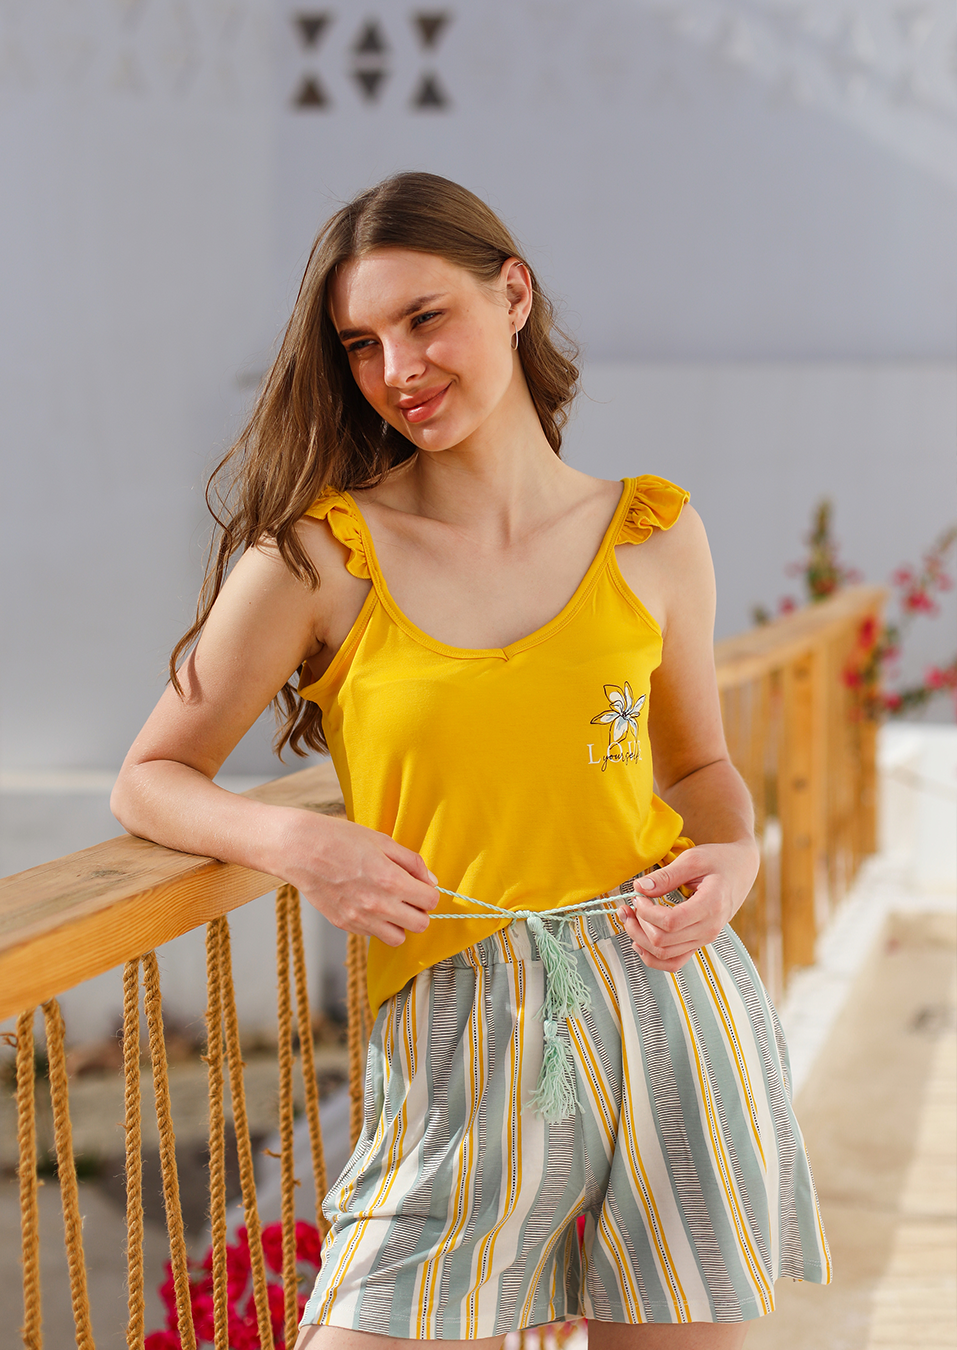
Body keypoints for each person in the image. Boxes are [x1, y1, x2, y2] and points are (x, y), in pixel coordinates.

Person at [111, 172, 830, 1350]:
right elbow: (149, 775)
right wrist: (298, 842)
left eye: (424, 318)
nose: (396, 368)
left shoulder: (654, 535)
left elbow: (698, 767)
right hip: (456, 1027)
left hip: (675, 1007)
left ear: (513, 295)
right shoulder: (318, 556)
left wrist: (737, 859)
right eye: (361, 343)